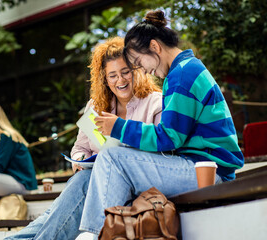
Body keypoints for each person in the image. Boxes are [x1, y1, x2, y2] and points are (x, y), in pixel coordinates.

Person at [0, 37, 162, 240]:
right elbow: (80, 147)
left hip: (131, 186)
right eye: (113, 75)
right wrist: (80, 160)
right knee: (57, 210)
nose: (120, 80)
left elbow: (160, 151)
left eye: (125, 72)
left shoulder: (154, 103)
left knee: (79, 186)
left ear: (137, 71)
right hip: (94, 184)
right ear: (104, 79)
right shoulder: (96, 106)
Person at [78, 10, 244, 237]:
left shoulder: (183, 74)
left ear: (155, 47)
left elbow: (169, 137)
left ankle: (95, 234)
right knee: (110, 163)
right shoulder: (184, 69)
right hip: (200, 166)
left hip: (208, 172)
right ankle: (103, 232)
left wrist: (118, 127)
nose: (143, 70)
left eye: (138, 62)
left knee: (111, 157)